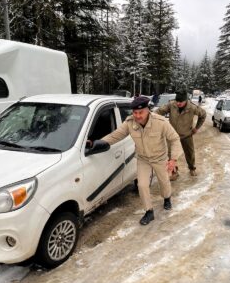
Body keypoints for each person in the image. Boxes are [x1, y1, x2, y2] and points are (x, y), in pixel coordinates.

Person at [88, 96, 183, 225]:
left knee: (164, 181)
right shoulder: (130, 123)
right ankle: (149, 212)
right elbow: (115, 135)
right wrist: (96, 143)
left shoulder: (160, 122)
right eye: (135, 113)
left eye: (140, 112)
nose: (137, 116)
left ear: (147, 110)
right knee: (142, 185)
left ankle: (167, 198)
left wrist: (173, 159)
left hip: (160, 158)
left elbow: (175, 139)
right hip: (143, 159)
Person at [155, 90, 206, 177]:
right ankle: (174, 171)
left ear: (185, 100)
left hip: (186, 135)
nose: (178, 103)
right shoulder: (171, 105)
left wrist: (197, 128)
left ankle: (192, 168)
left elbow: (203, 115)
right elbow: (158, 112)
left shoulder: (192, 108)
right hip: (172, 136)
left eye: (180, 102)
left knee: (190, 153)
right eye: (177, 101)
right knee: (171, 155)